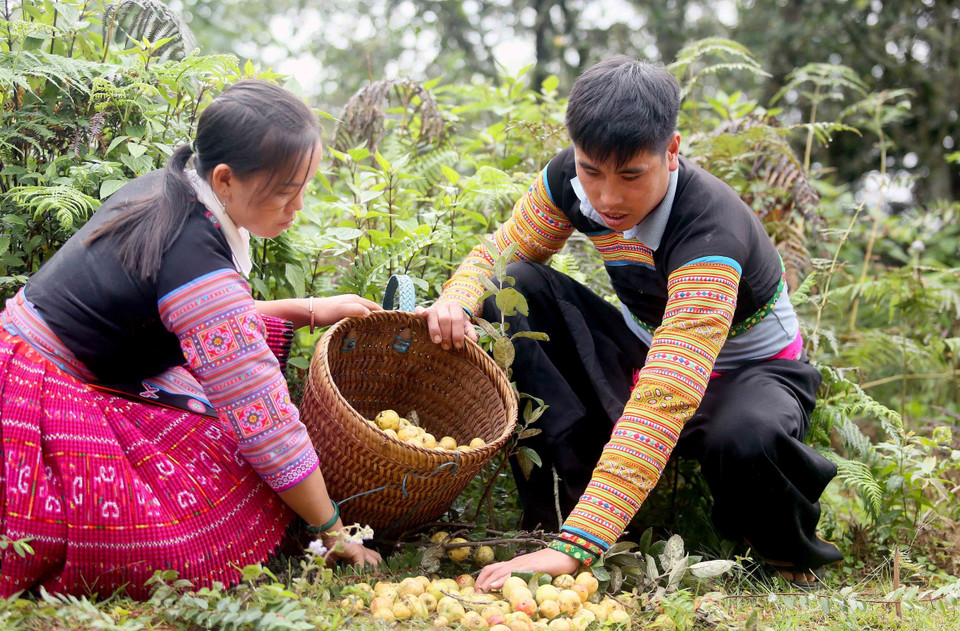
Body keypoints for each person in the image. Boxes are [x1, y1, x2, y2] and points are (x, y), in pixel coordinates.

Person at [418, 56, 842, 590]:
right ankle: (560, 509)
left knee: (745, 438)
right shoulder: (568, 181)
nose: (608, 197)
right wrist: (455, 300)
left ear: (671, 151)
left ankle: (783, 555)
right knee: (514, 287)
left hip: (748, 375)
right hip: (645, 350)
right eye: (591, 170)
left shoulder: (710, 232)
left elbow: (667, 392)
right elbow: (500, 253)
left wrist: (581, 550)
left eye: (631, 175)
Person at [0, 80, 381, 598]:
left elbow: (199, 315)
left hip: (61, 353)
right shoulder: (193, 251)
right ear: (225, 179)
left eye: (303, 188)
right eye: (286, 191)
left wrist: (305, 308)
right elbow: (265, 421)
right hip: (42, 393)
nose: (297, 206)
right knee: (227, 485)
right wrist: (330, 529)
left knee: (237, 390)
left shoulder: (173, 186)